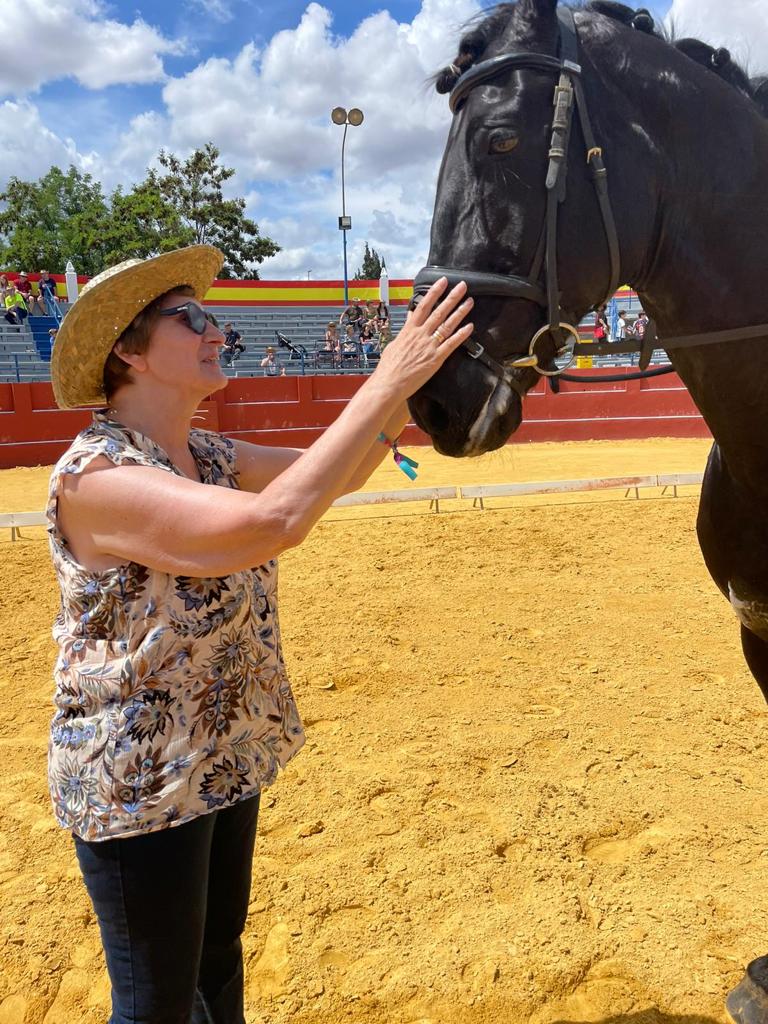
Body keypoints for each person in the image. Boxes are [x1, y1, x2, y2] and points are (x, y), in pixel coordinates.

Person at [45, 244, 473, 1023]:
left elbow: (336, 475)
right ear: (128, 350)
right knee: (155, 1007)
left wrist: (414, 388)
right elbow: (274, 522)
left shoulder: (208, 454)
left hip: (220, 752)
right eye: (191, 318)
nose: (217, 331)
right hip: (139, 781)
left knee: (216, 965)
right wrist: (387, 377)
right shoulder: (96, 477)